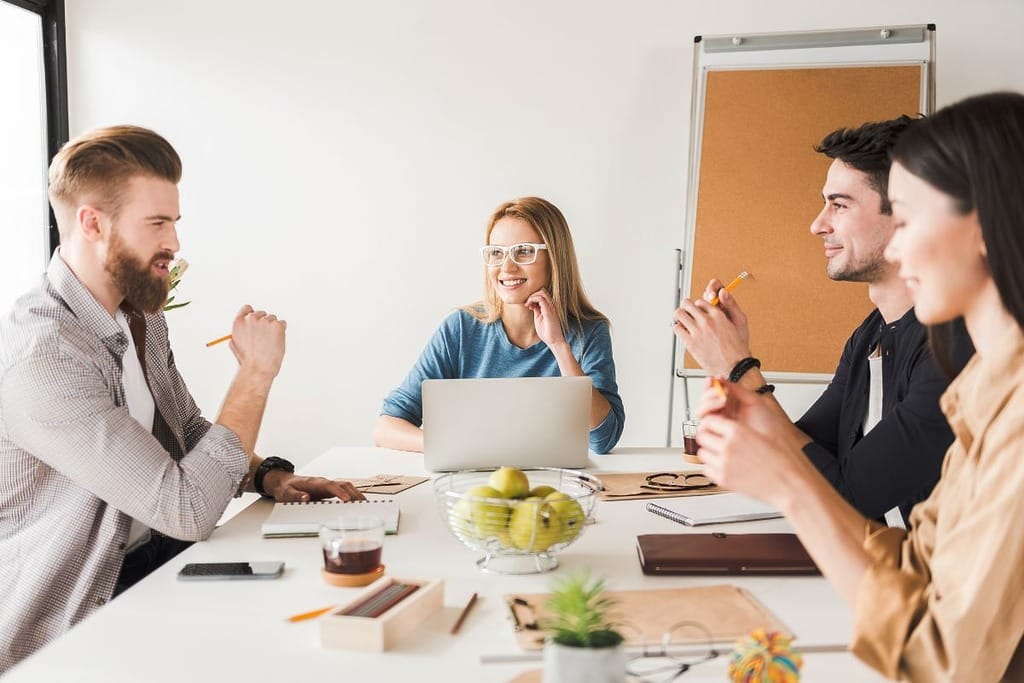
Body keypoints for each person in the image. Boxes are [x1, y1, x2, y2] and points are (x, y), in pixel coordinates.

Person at [0, 126, 364, 671]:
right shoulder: (45, 354)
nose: (174, 242)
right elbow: (185, 508)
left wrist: (268, 476)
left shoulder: (140, 316)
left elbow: (185, 432)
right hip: (78, 612)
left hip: (157, 564)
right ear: (92, 223)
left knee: (327, 617)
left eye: (174, 222)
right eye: (157, 223)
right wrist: (255, 376)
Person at [697, 91, 1024, 681]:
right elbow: (919, 560)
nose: (899, 246)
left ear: (982, 222)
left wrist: (790, 484)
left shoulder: (1000, 398)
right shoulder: (981, 388)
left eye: (911, 217)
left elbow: (943, 663)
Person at [672, 116, 972, 525]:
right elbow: (806, 456)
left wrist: (738, 367)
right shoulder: (869, 335)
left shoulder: (957, 344)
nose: (818, 224)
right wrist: (728, 368)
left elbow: (848, 495)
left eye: (840, 205)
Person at [374, 196, 624, 454]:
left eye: (524, 251)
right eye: (496, 253)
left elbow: (603, 439)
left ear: (555, 258)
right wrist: (456, 447)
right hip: (475, 486)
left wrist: (559, 346)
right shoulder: (460, 329)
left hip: (553, 486)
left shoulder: (589, 332)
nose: (507, 267)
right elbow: (387, 427)